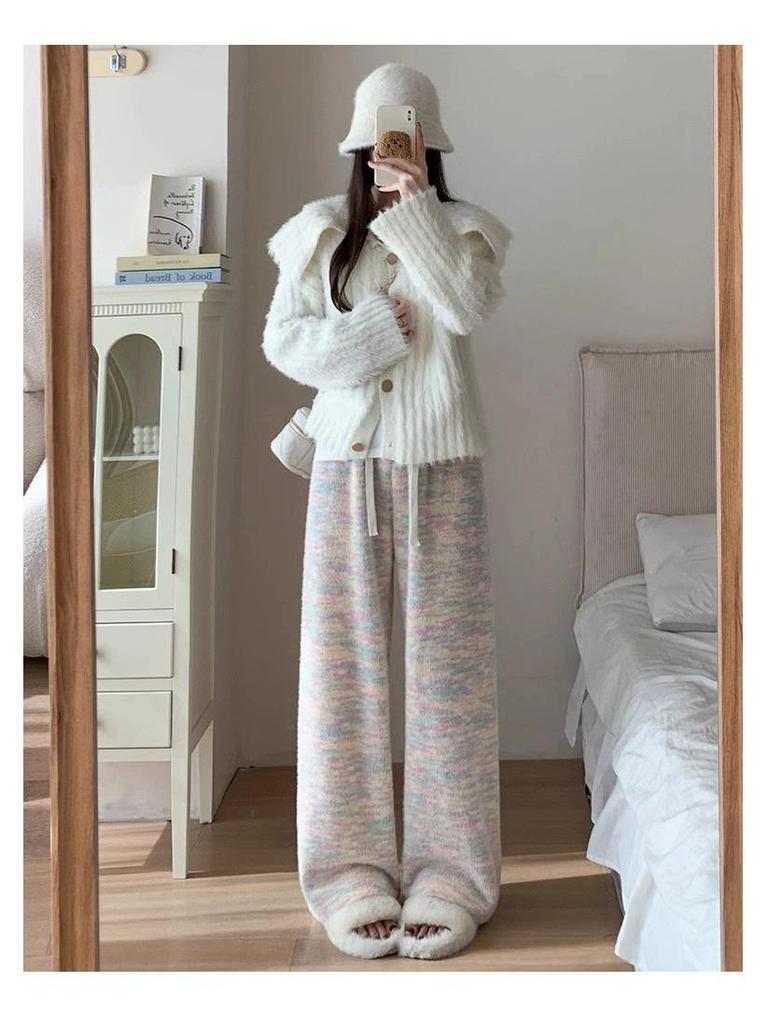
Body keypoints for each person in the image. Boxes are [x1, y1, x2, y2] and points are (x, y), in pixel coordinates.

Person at [262, 63, 511, 961]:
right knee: (341, 683)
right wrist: (369, 335)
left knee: (451, 685)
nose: (390, 153)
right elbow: (284, 342)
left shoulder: (466, 232)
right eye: (378, 143)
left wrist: (417, 214)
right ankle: (347, 875)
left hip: (443, 472)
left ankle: (453, 878)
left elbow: (466, 310)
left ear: (427, 146)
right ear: (360, 146)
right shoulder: (318, 235)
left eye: (404, 140)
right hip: (346, 474)